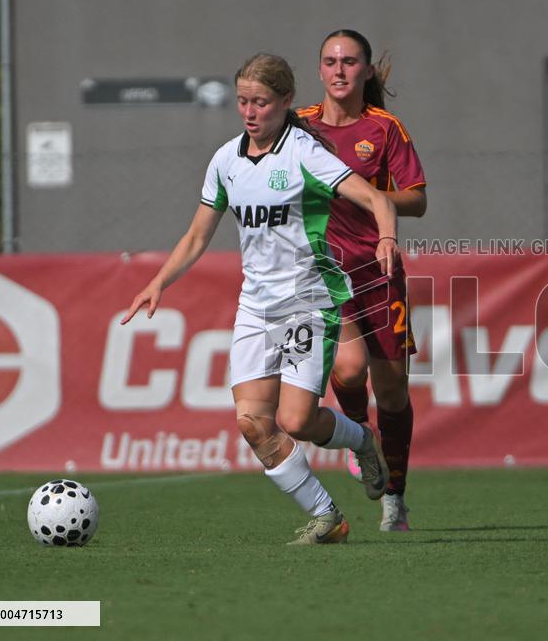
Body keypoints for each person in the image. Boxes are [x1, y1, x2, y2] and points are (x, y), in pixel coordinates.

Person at [121, 53, 399, 545]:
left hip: (308, 299)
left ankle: (361, 438)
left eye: (262, 102)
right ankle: (326, 517)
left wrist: (386, 238)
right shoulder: (226, 160)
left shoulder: (304, 154)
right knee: (253, 423)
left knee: (296, 421)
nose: (250, 112)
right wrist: (159, 281)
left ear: (286, 101)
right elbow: (196, 235)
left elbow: (376, 198)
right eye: (243, 101)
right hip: (255, 307)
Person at [298, 29, 426, 532]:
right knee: (349, 371)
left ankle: (394, 495)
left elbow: (417, 197)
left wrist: (375, 202)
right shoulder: (299, 127)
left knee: (393, 394)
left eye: (350, 61)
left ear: (367, 70)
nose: (339, 70)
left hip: (380, 272)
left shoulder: (385, 128)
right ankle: (359, 436)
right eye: (330, 60)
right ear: (319, 70)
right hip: (324, 273)